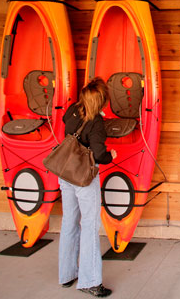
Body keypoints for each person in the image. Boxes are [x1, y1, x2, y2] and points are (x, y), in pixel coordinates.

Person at [58, 78, 116, 297]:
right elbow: (100, 153)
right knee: (89, 225)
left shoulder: (73, 110)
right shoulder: (97, 124)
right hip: (84, 178)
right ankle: (90, 281)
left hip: (65, 173)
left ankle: (66, 275)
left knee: (69, 222)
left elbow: (65, 122)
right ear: (102, 101)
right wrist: (111, 155)